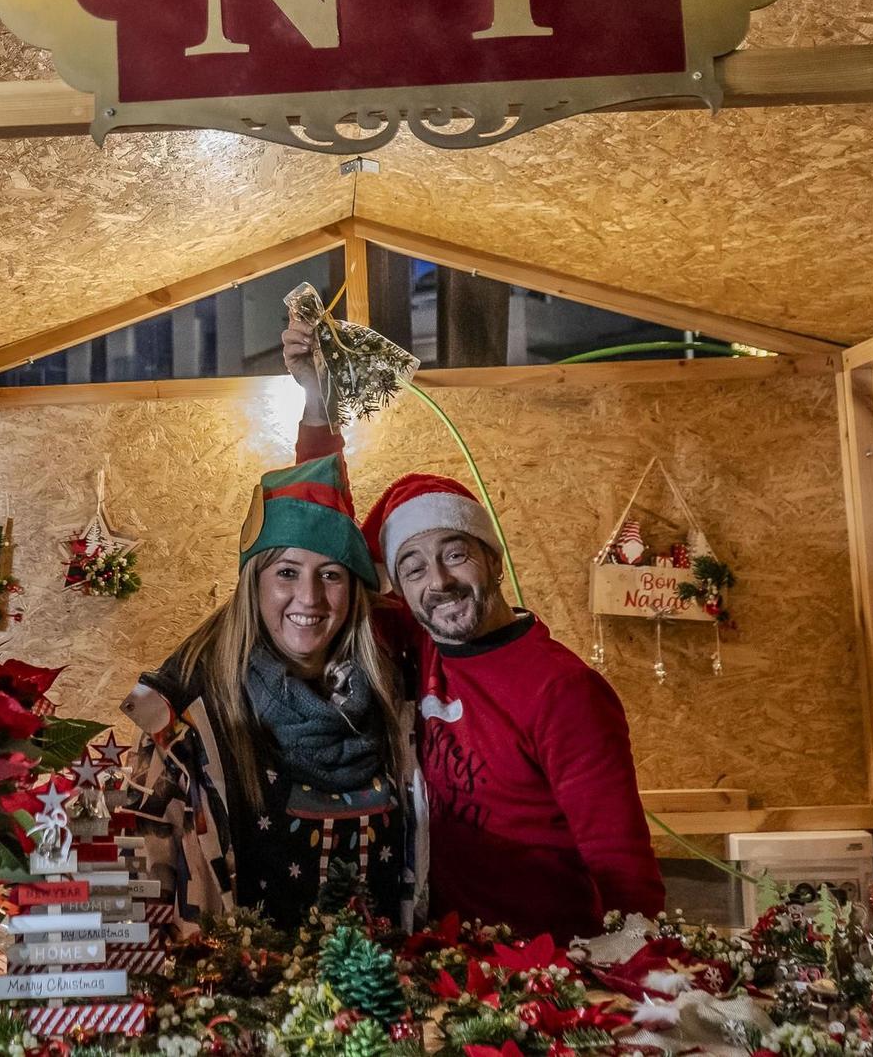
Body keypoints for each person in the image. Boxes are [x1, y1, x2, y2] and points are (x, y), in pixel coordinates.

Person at [283, 316, 664, 939]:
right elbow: (324, 538)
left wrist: (633, 981)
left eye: (455, 554)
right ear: (399, 590)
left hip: (548, 972)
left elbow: (624, 869)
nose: (439, 581)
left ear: (491, 557)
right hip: (445, 955)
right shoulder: (418, 644)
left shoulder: (562, 691)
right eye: (412, 567)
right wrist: (317, 409)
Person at [120, 453, 422, 931]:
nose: (310, 598)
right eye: (287, 572)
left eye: (331, 574)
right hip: (232, 989)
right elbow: (145, 878)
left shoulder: (397, 693)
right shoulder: (190, 717)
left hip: (384, 986)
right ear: (253, 582)